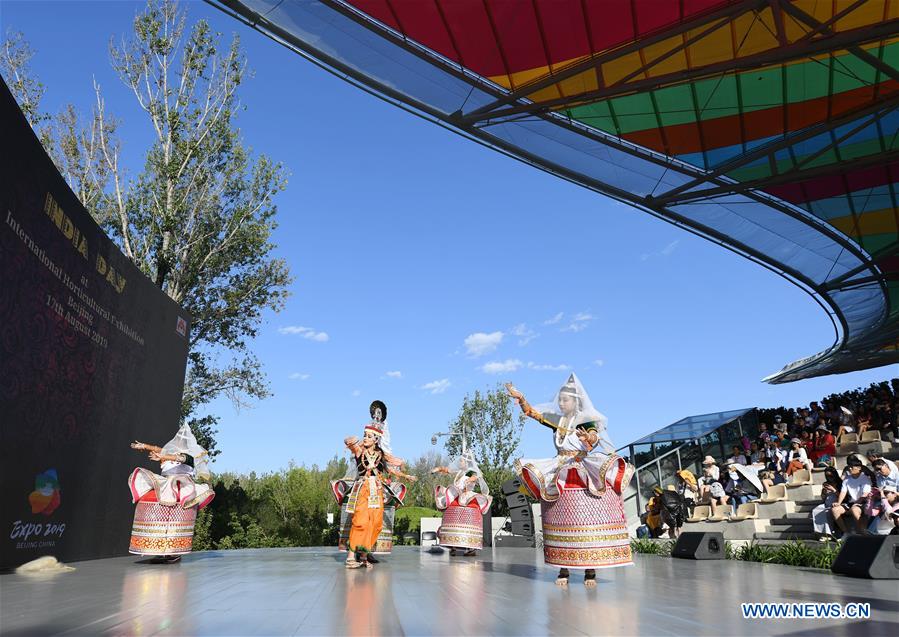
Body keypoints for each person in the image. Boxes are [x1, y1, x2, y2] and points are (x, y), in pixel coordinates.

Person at [507, 374, 633, 588]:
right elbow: (533, 414)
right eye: (560, 400)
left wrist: (588, 439)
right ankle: (563, 568)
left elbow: (593, 438)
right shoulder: (559, 422)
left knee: (585, 520)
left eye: (565, 400)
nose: (561, 404)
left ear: (576, 401)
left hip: (582, 471)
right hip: (560, 469)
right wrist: (521, 398)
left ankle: (590, 571)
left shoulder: (586, 421)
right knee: (561, 519)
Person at [333, 401, 417, 569]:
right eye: (364, 435)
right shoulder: (359, 450)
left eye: (369, 436)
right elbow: (347, 442)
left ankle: (364, 556)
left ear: (376, 439)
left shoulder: (381, 454)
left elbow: (391, 469)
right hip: (362, 489)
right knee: (360, 521)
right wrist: (352, 440)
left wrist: (406, 475)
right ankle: (351, 557)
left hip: (376, 490)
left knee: (375, 523)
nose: (365, 437)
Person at [128, 424, 215, 562]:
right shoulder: (169, 453)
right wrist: (145, 446)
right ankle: (157, 547)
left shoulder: (190, 456)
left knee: (175, 518)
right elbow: (159, 449)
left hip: (183, 487)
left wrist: (164, 456)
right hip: (165, 484)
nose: (178, 443)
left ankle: (173, 551)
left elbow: (181, 458)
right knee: (152, 506)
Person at [432, 450, 492, 556]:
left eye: (462, 461)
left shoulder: (471, 472)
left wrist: (471, 480)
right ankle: (453, 545)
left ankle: (470, 548)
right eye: (460, 461)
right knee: (452, 515)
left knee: (467, 518)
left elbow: (478, 475)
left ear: (467, 463)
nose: (459, 463)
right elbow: (447, 470)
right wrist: (438, 469)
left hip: (467, 496)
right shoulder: (460, 472)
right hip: (458, 495)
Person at [831, 456, 873, 537]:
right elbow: (843, 492)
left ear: (859, 468)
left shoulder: (865, 479)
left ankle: (863, 532)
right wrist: (839, 503)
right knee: (835, 510)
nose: (849, 469)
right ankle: (846, 533)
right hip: (850, 503)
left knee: (854, 510)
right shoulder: (847, 479)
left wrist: (857, 503)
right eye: (849, 467)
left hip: (863, 502)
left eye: (851, 467)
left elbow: (865, 494)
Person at [812, 467, 842, 541]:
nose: (829, 478)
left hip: (837, 502)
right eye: (827, 476)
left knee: (825, 512)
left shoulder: (840, 483)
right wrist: (824, 493)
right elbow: (823, 498)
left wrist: (834, 490)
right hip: (827, 502)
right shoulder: (825, 484)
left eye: (830, 476)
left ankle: (829, 534)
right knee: (816, 510)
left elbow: (843, 496)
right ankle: (821, 533)